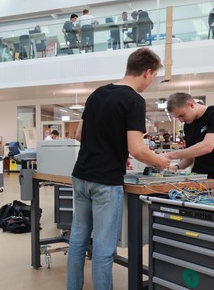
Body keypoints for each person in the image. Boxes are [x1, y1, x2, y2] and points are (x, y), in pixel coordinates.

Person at [66, 48, 170, 290]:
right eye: (153, 76)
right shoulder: (134, 100)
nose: (151, 81)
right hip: (105, 182)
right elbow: (137, 149)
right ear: (147, 72)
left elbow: (79, 134)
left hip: (81, 176)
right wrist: (160, 161)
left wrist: (112, 150)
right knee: (103, 248)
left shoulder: (97, 93)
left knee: (78, 241)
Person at [164, 92, 214, 186]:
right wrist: (176, 167)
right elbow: (191, 156)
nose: (181, 120)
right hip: (199, 179)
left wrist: (170, 155)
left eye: (182, 115)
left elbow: (207, 146)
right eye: (178, 117)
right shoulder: (188, 126)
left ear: (191, 105)